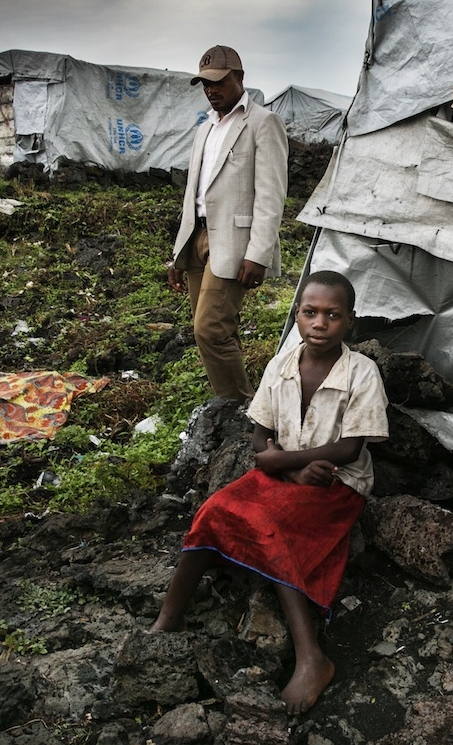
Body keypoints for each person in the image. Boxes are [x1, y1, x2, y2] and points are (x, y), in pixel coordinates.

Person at [149, 270, 389, 714]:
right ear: (296, 315)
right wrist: (284, 466)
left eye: (333, 316)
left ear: (350, 321)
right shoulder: (281, 364)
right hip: (288, 475)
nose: (320, 324)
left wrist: (286, 463)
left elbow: (351, 448)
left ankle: (312, 658)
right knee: (214, 509)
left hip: (335, 484)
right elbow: (261, 438)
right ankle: (169, 616)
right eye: (310, 313)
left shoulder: (361, 372)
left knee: (272, 526)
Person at [169, 44, 289, 400]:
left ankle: (238, 407)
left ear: (239, 77)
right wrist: (178, 253)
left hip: (236, 244)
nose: (211, 90)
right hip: (198, 236)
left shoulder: (263, 123)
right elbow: (194, 193)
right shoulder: (205, 128)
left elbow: (271, 196)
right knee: (217, 327)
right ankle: (239, 401)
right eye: (205, 84)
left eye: (218, 82)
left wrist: (259, 254)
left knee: (209, 329)